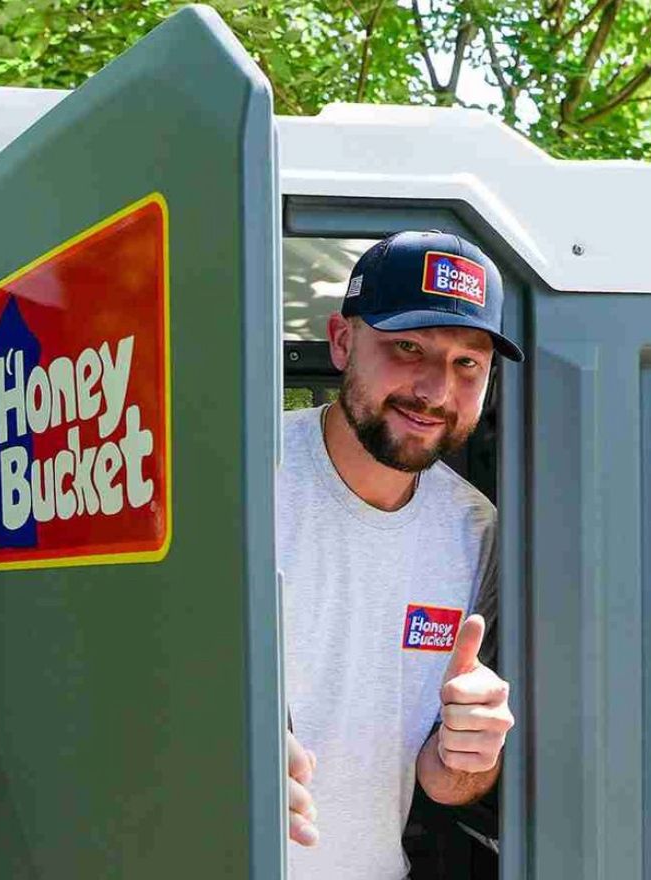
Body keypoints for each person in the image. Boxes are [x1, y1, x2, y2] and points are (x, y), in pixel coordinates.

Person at [279, 230, 523, 879]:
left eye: (467, 363)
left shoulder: (477, 532)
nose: (435, 391)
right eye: (407, 346)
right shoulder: (239, 481)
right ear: (340, 342)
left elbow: (441, 784)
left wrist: (466, 757)